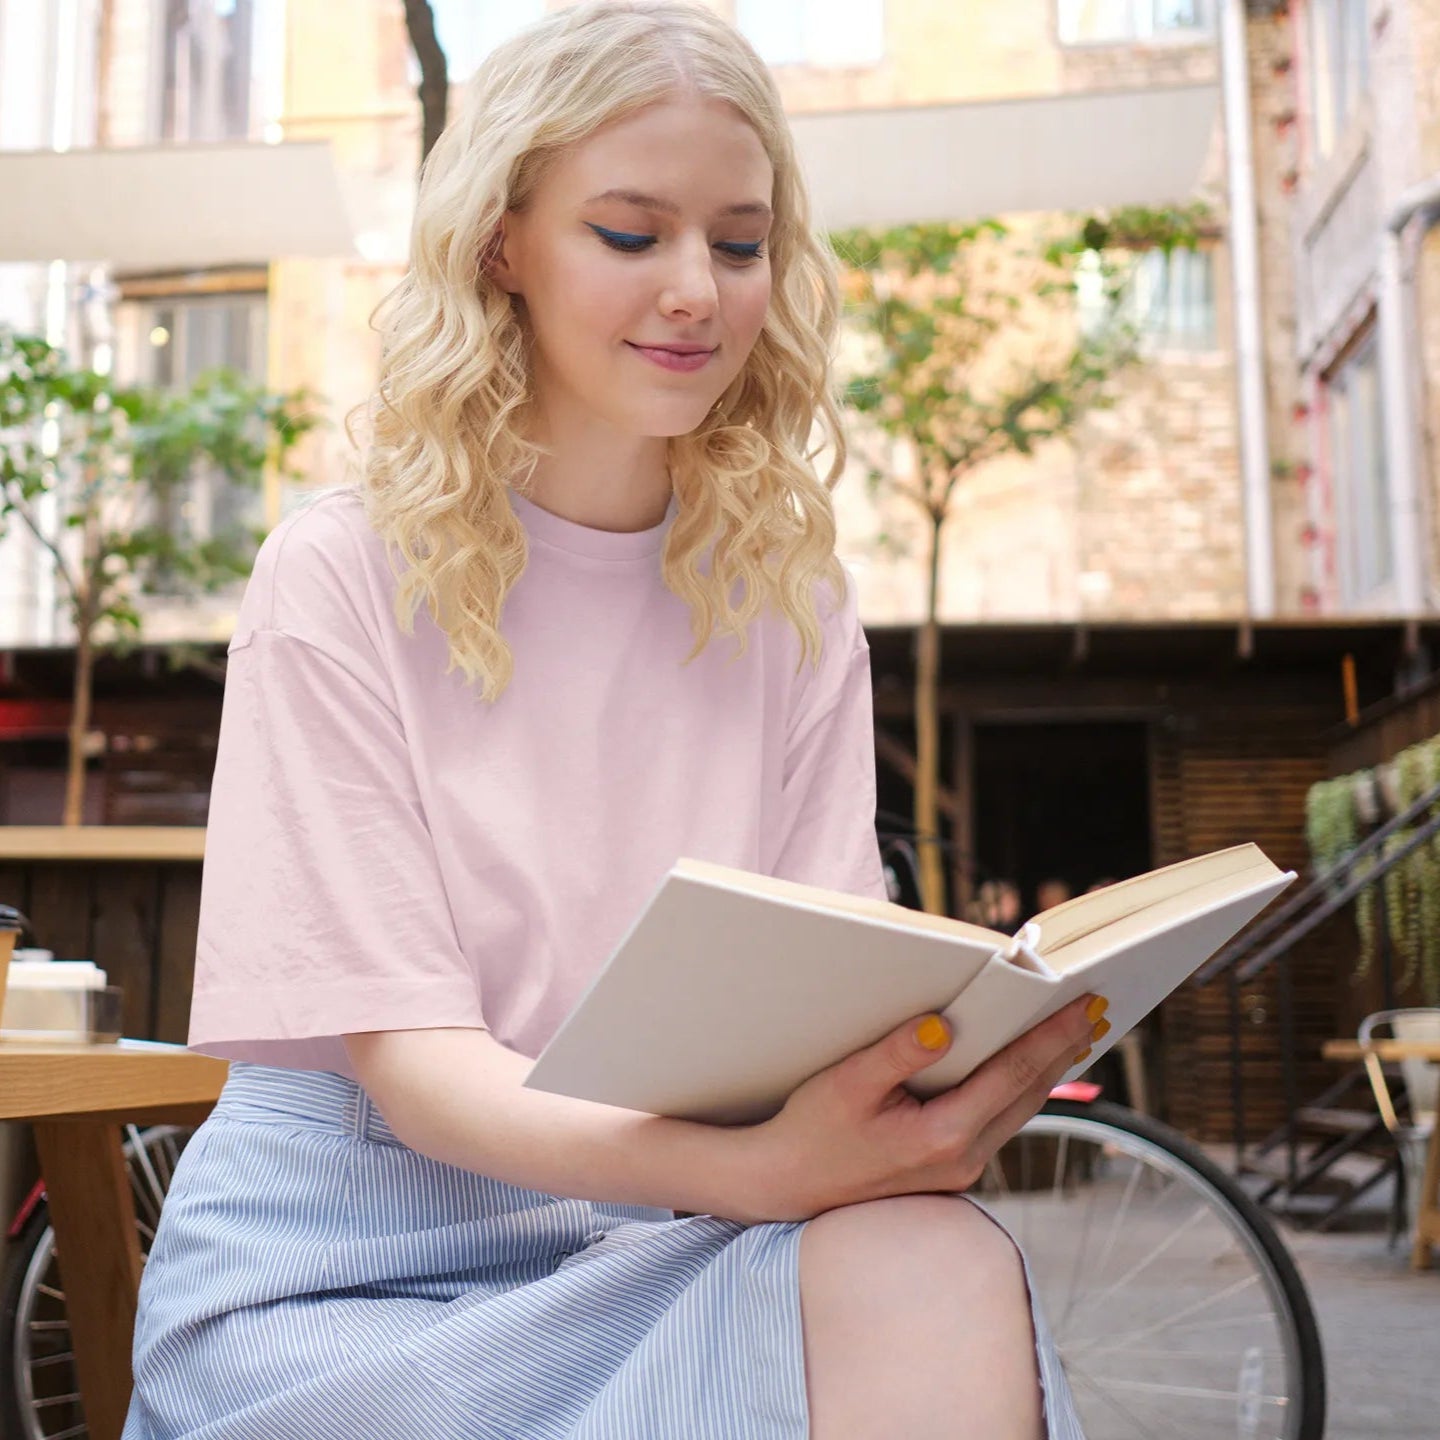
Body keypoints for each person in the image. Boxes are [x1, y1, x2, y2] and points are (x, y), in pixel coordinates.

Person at [123, 6, 1103, 1437]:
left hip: (672, 1231)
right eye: (632, 236)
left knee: (932, 1257)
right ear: (502, 244)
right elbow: (421, 1077)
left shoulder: (792, 601)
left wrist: (912, 1095)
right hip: (349, 1262)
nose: (698, 289)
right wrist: (767, 1174)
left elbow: (823, 999)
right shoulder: (337, 573)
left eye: (742, 241)